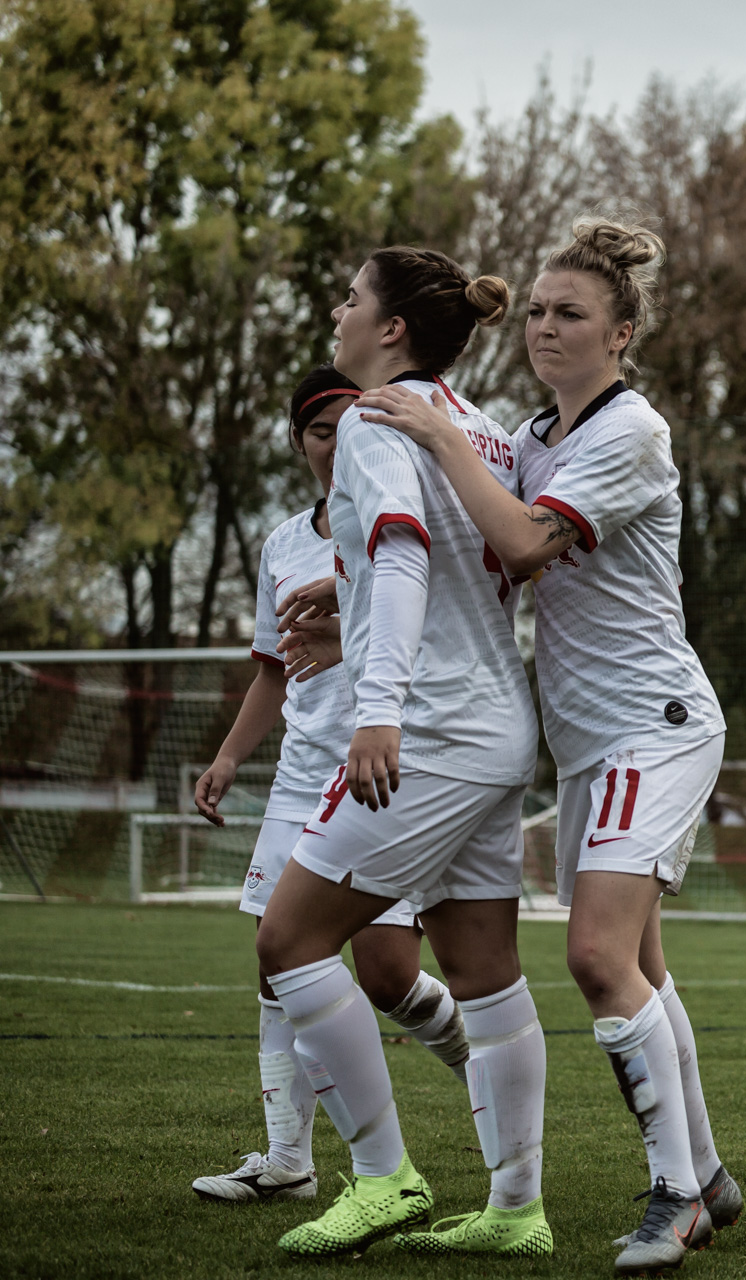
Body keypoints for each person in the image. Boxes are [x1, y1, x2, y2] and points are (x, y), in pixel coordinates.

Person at [358, 219, 737, 1273]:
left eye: (570, 313)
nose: (543, 327)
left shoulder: (631, 432)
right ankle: (703, 1170)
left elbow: (521, 541)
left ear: (620, 333)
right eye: (533, 310)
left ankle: (677, 1199)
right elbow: (474, 536)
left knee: (595, 956)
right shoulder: (533, 436)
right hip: (586, 740)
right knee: (642, 967)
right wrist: (336, 587)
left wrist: (436, 432)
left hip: (649, 725)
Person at [253, 248, 551, 1259]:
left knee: (288, 939)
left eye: (351, 297)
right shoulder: (485, 433)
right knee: (483, 967)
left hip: (426, 728)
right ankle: (517, 1208)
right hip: (499, 721)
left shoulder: (380, 420)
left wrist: (375, 708)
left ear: (389, 330)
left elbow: (404, 553)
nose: (338, 309)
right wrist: (352, 621)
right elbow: (472, 575)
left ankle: (385, 1176)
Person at [188, 368, 472, 1206]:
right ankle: (290, 1160)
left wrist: (356, 641)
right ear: (302, 444)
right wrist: (231, 758)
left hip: (386, 771)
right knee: (276, 962)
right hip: (301, 776)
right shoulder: (284, 543)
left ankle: (482, 1062)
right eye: (321, 432)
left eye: (350, 424)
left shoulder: (407, 517)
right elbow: (275, 670)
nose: (338, 443)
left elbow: (439, 628)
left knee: (387, 976)